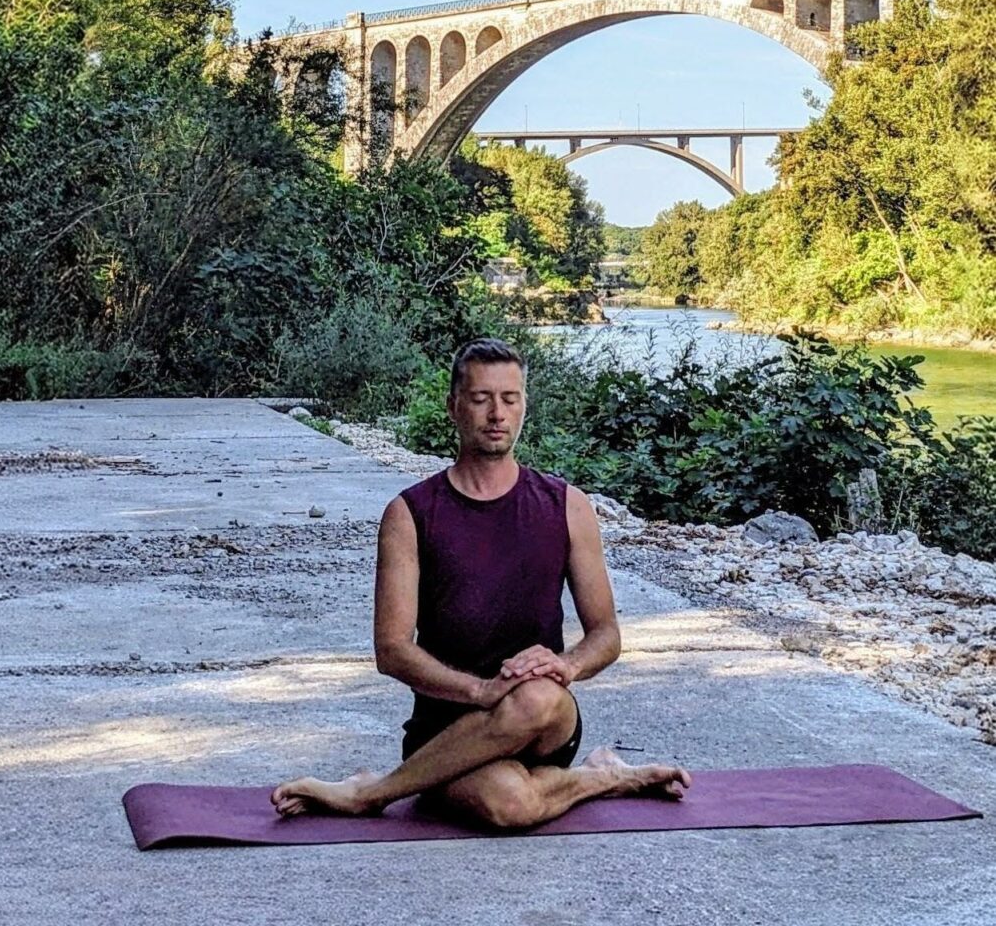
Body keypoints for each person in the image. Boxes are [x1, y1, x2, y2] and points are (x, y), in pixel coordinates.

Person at [271, 338, 691, 828]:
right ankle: (606, 777)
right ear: (453, 407)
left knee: (534, 695)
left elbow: (606, 635)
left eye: (510, 399)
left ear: (524, 406)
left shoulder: (567, 505)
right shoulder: (410, 514)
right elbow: (391, 650)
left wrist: (564, 664)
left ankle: (372, 793)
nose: (497, 413)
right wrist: (479, 692)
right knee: (510, 806)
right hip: (447, 726)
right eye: (480, 399)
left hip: (544, 722)